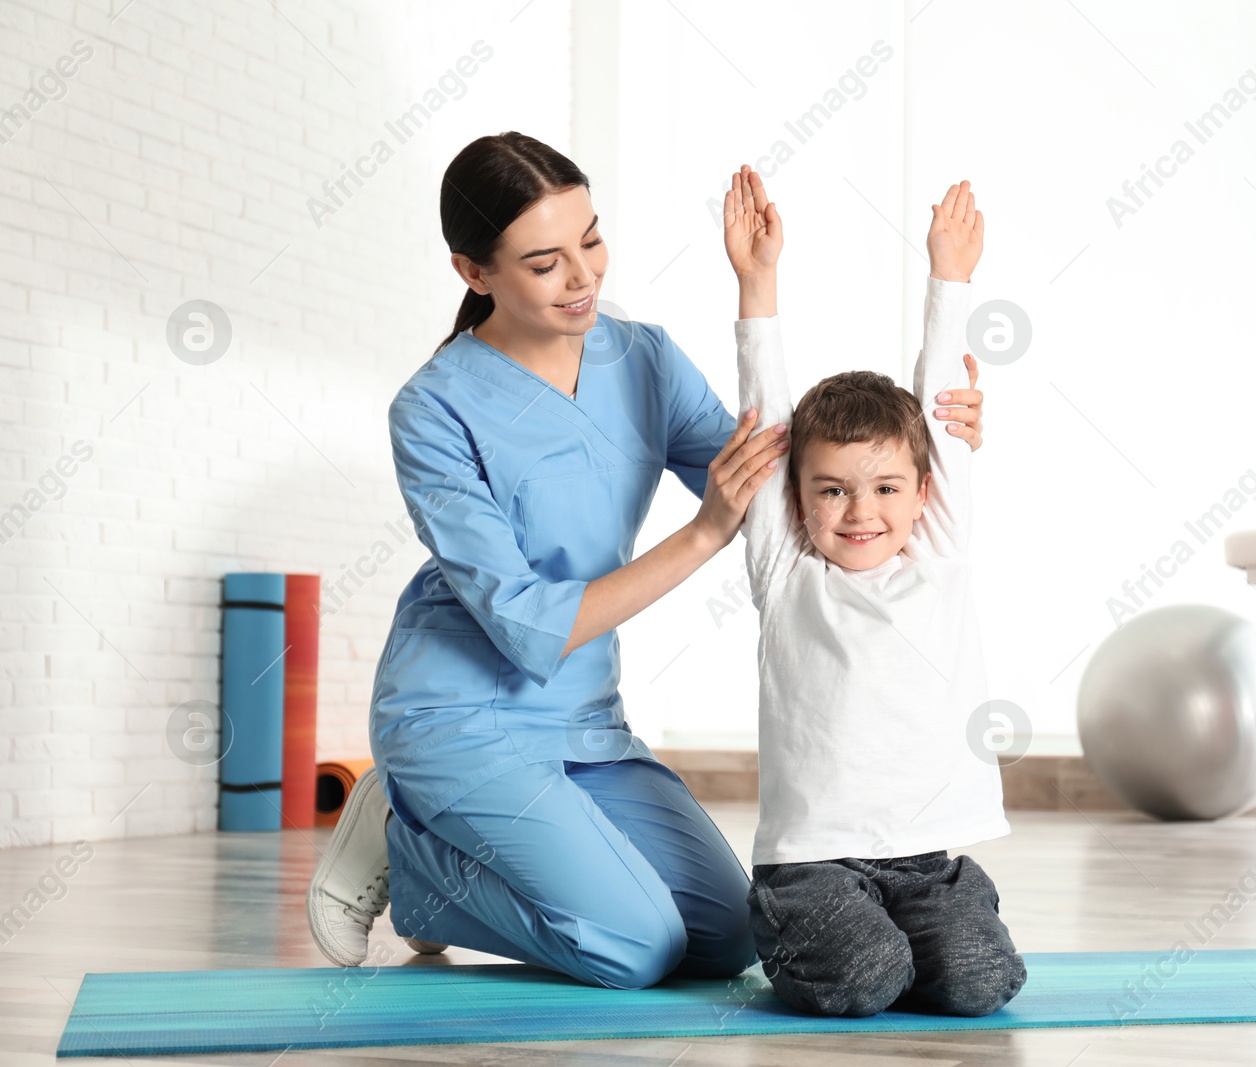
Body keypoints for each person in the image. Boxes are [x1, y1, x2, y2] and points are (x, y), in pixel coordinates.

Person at [305, 133, 988, 989]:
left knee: (728, 937)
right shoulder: (433, 408)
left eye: (591, 239)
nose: (584, 276)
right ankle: (414, 858)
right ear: (475, 273)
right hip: (460, 711)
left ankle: (468, 839)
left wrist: (921, 447)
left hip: (584, 717)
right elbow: (525, 625)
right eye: (545, 262)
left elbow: (781, 486)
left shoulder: (645, 358)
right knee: (634, 945)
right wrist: (702, 532)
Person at [723, 165, 1027, 1016]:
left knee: (981, 984)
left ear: (922, 495)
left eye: (887, 488)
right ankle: (805, 928)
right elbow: (772, 420)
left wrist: (950, 281)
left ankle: (918, 929)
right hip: (811, 861)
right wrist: (758, 284)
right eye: (832, 490)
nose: (862, 511)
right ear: (798, 499)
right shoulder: (787, 572)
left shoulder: (940, 550)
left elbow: (939, 420)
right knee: (865, 980)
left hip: (925, 859)